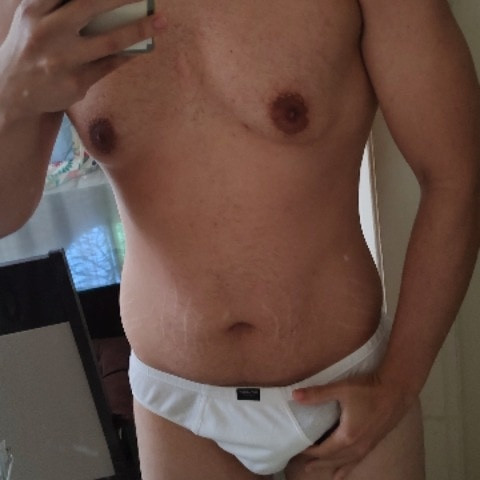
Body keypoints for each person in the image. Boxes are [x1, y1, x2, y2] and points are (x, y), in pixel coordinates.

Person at [1, 0, 479, 479]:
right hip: (177, 407)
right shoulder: (33, 6)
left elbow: (456, 176)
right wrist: (10, 98)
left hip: (347, 383)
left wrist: (400, 383)